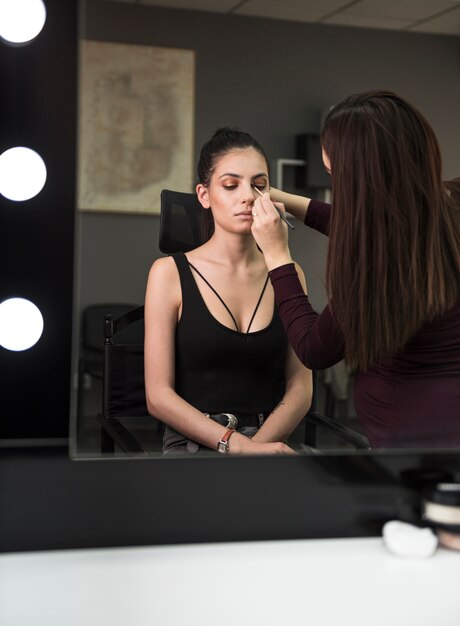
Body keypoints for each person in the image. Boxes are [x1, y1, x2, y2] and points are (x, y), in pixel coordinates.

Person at [251, 90, 460, 448]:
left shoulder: (380, 261)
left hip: (409, 443)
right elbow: (378, 221)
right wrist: (284, 199)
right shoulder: (447, 200)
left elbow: (315, 350)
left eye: (335, 175)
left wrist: (276, 254)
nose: (336, 185)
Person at [144, 128, 312, 455]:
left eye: (259, 185)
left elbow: (301, 387)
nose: (247, 195)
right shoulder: (168, 274)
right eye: (231, 185)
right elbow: (158, 396)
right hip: (194, 444)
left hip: (270, 443)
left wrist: (255, 449)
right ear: (204, 196)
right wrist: (234, 446)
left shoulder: (290, 274)